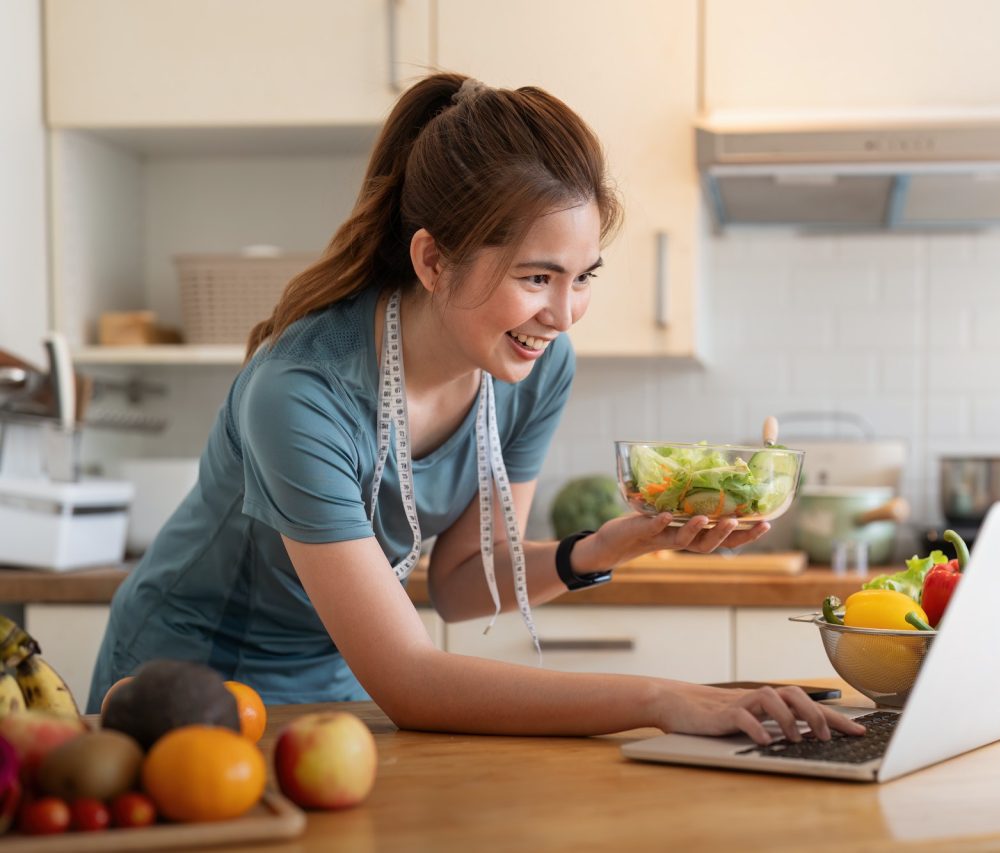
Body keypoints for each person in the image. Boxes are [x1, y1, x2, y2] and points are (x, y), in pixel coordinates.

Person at [88, 73, 863, 746]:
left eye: (583, 276)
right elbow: (410, 676)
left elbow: (461, 582)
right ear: (432, 259)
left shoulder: (533, 364)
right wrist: (667, 697)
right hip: (186, 681)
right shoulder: (299, 395)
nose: (564, 314)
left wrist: (615, 545)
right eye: (537, 277)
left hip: (338, 675)